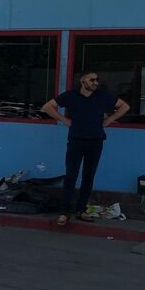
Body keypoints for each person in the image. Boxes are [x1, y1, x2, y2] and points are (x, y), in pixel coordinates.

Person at [42, 72, 129, 226]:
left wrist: (109, 120)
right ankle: (64, 212)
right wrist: (64, 120)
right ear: (83, 81)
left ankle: (81, 210)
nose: (95, 82)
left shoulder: (102, 95)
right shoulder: (71, 95)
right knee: (71, 175)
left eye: (97, 80)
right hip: (76, 140)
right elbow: (48, 107)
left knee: (88, 176)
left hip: (96, 140)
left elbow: (124, 106)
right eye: (92, 80)